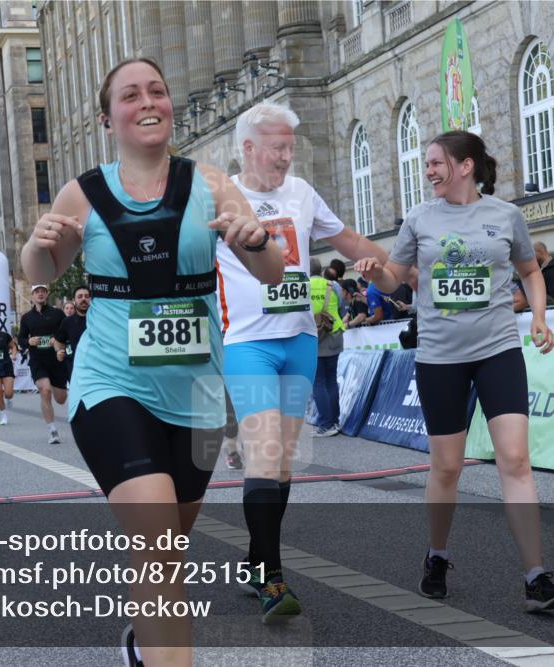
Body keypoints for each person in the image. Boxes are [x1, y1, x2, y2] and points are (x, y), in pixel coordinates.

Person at [21, 57, 283, 667]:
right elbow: (43, 273)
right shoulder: (82, 193)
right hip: (111, 382)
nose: (148, 102)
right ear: (108, 116)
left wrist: (255, 241)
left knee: (169, 542)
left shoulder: (212, 184)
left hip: (196, 391)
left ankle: (144, 639)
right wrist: (36, 246)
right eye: (131, 95)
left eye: (157, 91)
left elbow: (270, 274)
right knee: (160, 540)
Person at [355, 129, 554, 612]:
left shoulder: (505, 215)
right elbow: (395, 278)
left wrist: (537, 316)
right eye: (427, 163)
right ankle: (437, 554)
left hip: (497, 350)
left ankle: (536, 576)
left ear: (466, 165)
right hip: (439, 357)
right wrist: (375, 273)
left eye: (436, 163)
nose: (428, 171)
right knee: (447, 467)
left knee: (515, 460)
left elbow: (530, 271)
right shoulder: (419, 217)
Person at [215, 102, 389, 624]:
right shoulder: (224, 195)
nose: (286, 157)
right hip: (248, 344)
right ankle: (271, 577)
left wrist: (390, 270)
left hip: (300, 342)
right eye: (276, 147)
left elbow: (351, 241)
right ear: (248, 148)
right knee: (265, 455)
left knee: (282, 464)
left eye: (291, 147)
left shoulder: (302, 194)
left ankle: (254, 559)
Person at [17, 284, 68, 444]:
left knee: (60, 399)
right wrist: (29, 341)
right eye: (37, 292)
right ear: (32, 296)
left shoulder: (57, 314)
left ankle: (53, 384)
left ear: (47, 295)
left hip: (56, 360)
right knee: (45, 391)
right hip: (38, 360)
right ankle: (52, 430)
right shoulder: (27, 318)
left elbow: (66, 333)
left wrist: (57, 339)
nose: (40, 294)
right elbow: (21, 340)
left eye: (43, 291)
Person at [310, 259, 345, 437]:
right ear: (320, 269)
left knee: (318, 381)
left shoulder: (303, 286)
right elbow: (341, 307)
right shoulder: (333, 285)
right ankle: (334, 421)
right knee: (331, 380)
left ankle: (325, 424)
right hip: (334, 333)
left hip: (313, 336)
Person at [52, 284, 90, 380]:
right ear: (74, 300)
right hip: (74, 369)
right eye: (80, 296)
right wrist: (58, 351)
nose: (83, 299)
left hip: (96, 369)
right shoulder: (67, 322)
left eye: (87, 296)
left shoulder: (99, 319)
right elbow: (58, 341)